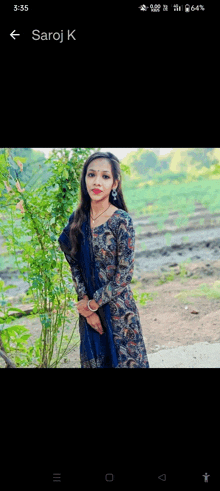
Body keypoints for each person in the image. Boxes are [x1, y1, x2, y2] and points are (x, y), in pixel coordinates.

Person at [58, 151, 150, 368]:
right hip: (89, 311)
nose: (97, 182)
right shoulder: (77, 220)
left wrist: (92, 304)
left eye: (105, 176)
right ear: (85, 180)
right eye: (91, 175)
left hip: (120, 313)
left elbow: (124, 275)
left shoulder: (121, 221)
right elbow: (74, 263)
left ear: (114, 184)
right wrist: (86, 306)